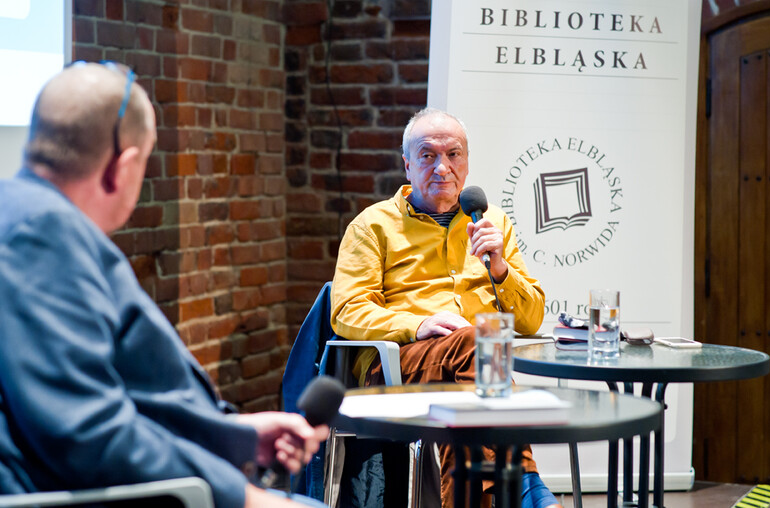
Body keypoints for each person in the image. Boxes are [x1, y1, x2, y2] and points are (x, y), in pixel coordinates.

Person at [0, 62, 327, 508]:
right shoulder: (42, 233)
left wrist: (237, 437)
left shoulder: (25, 215)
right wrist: (242, 497)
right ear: (123, 167)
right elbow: (85, 430)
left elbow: (117, 395)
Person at [330, 108, 562, 508]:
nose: (443, 167)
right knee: (482, 341)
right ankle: (526, 484)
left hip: (473, 369)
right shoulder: (372, 226)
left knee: (467, 402)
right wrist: (416, 324)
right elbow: (346, 311)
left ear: (467, 163)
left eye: (454, 155)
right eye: (427, 156)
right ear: (407, 165)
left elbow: (532, 318)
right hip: (396, 364)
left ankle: (510, 491)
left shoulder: (492, 224)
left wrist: (502, 270)